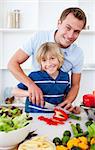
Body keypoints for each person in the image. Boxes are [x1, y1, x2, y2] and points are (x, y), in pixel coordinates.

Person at [8, 7, 87, 110]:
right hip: (35, 109)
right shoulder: (38, 37)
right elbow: (12, 63)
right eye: (68, 28)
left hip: (55, 110)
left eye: (77, 31)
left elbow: (75, 85)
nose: (70, 35)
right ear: (59, 23)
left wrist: (68, 102)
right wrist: (31, 85)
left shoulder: (78, 54)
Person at [12, 42, 71, 113]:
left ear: (59, 59)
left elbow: (66, 97)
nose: (48, 64)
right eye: (44, 60)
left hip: (54, 116)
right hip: (34, 116)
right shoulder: (34, 76)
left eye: (52, 58)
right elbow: (15, 91)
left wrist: (70, 108)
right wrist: (30, 93)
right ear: (40, 63)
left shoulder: (65, 77)